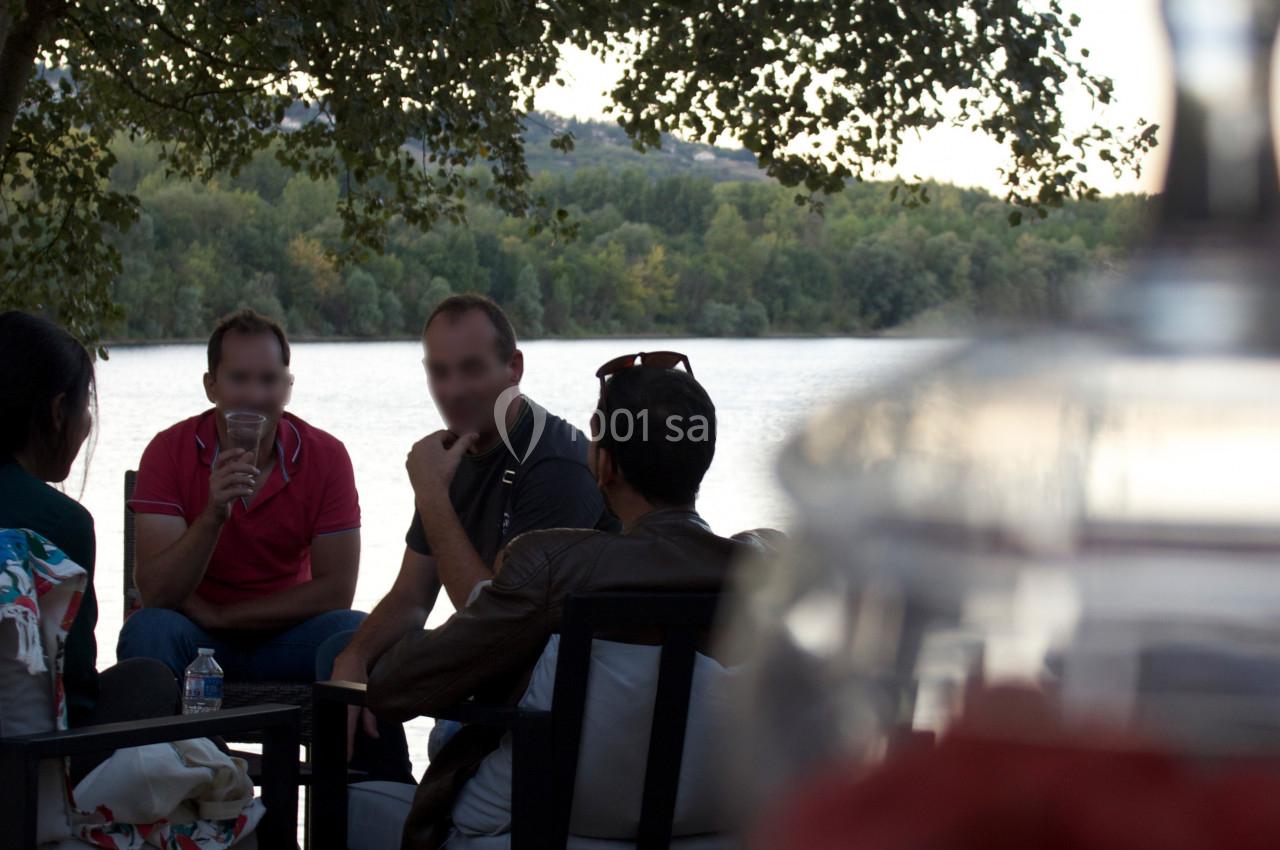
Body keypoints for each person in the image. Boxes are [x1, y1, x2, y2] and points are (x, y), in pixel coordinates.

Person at [366, 351, 752, 848]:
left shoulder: (553, 565)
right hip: (716, 827)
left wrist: (433, 497)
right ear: (703, 455)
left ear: (603, 461)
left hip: (539, 827)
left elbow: (395, 688)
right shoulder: (769, 572)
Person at [318, 293, 616, 776]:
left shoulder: (555, 463)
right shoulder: (453, 456)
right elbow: (413, 596)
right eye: (439, 371)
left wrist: (433, 495)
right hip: (498, 662)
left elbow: (495, 624)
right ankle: (380, 798)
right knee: (342, 658)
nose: (452, 389)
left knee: (431, 703)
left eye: (472, 369)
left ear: (513, 367)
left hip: (551, 686)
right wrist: (354, 658)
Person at [117, 309, 365, 686]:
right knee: (148, 630)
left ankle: (347, 747)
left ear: (287, 386)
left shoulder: (326, 456)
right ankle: (166, 746)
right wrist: (214, 513)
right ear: (211, 386)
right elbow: (156, 592)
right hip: (195, 639)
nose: (255, 395)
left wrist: (225, 617)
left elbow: (337, 590)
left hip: (286, 637)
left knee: (357, 633)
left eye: (269, 380)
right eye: (238, 379)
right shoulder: (169, 450)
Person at [0, 311, 178, 781]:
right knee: (150, 681)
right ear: (58, 411)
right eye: (85, 408)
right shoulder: (58, 522)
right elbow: (73, 689)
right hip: (26, 768)